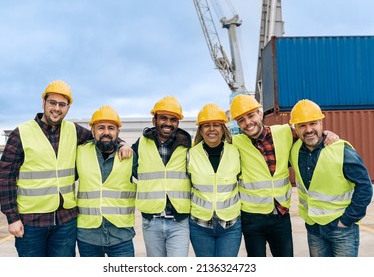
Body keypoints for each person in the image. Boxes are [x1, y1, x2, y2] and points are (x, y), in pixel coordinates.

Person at [0, 80, 132, 257]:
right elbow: (5, 178)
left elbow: (101, 137)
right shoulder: (21, 133)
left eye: (62, 104)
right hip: (31, 222)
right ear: (43, 103)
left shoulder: (73, 131)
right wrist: (12, 217)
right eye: (52, 103)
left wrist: (122, 143)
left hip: (65, 223)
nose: (57, 108)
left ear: (68, 108)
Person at [229, 94, 338, 257]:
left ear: (260, 113)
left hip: (280, 215)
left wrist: (327, 134)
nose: (247, 123)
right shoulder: (235, 143)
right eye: (241, 120)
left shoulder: (284, 132)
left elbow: (309, 135)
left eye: (250, 116)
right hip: (251, 219)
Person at [289, 99, 373, 257]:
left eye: (313, 123)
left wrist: (347, 220)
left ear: (321, 123)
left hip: (341, 228)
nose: (308, 130)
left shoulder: (341, 149)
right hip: (313, 229)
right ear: (296, 129)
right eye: (302, 125)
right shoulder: (294, 150)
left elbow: (365, 186)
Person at [132, 96, 192, 257]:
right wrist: (122, 143)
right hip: (151, 221)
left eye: (173, 119)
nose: (168, 123)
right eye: (163, 118)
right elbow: (128, 166)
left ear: (178, 123)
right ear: (154, 120)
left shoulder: (187, 146)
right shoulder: (141, 144)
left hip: (179, 221)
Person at [76, 106, 136, 257]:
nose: (106, 132)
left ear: (118, 132)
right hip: (88, 237)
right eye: (101, 127)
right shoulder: (79, 152)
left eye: (111, 128)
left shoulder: (131, 156)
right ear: (93, 131)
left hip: (121, 237)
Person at [187, 103, 242, 257]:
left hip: (230, 225)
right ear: (200, 130)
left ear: (223, 128)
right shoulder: (191, 154)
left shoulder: (235, 152)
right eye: (206, 125)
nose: (212, 129)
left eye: (216, 125)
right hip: (200, 225)